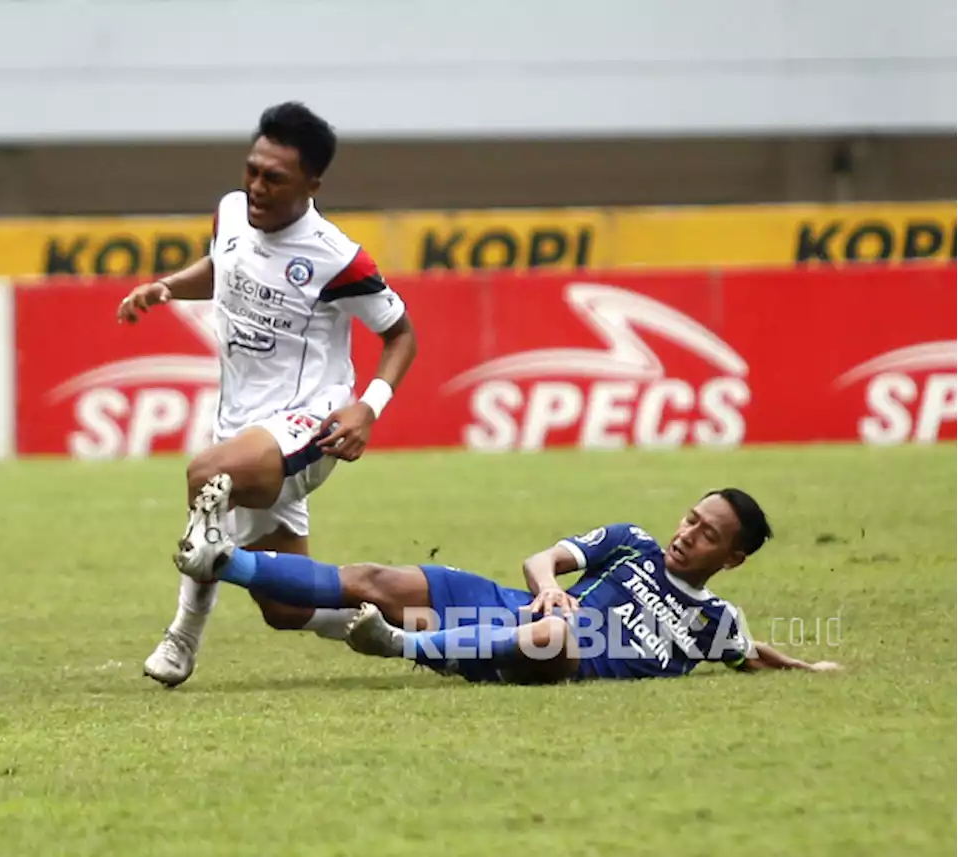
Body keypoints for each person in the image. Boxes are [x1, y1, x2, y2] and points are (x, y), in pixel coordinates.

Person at [118, 102, 418, 687]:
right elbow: (223, 266)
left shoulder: (338, 257)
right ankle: (423, 631)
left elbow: (401, 334)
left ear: (312, 185)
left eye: (273, 178)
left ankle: (181, 638)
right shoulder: (231, 213)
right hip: (244, 429)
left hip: (312, 424)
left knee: (208, 476)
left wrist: (369, 407)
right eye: (252, 170)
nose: (256, 186)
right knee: (288, 607)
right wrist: (167, 287)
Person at [174, 477, 842, 683]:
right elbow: (541, 561)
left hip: (554, 653)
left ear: (732, 558)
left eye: (706, 534)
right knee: (374, 577)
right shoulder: (631, 541)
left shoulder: (714, 620)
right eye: (690, 518)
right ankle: (222, 561)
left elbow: (749, 653)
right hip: (511, 610)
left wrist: (807, 666)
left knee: (559, 631)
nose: (686, 533)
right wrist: (549, 582)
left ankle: (397, 645)